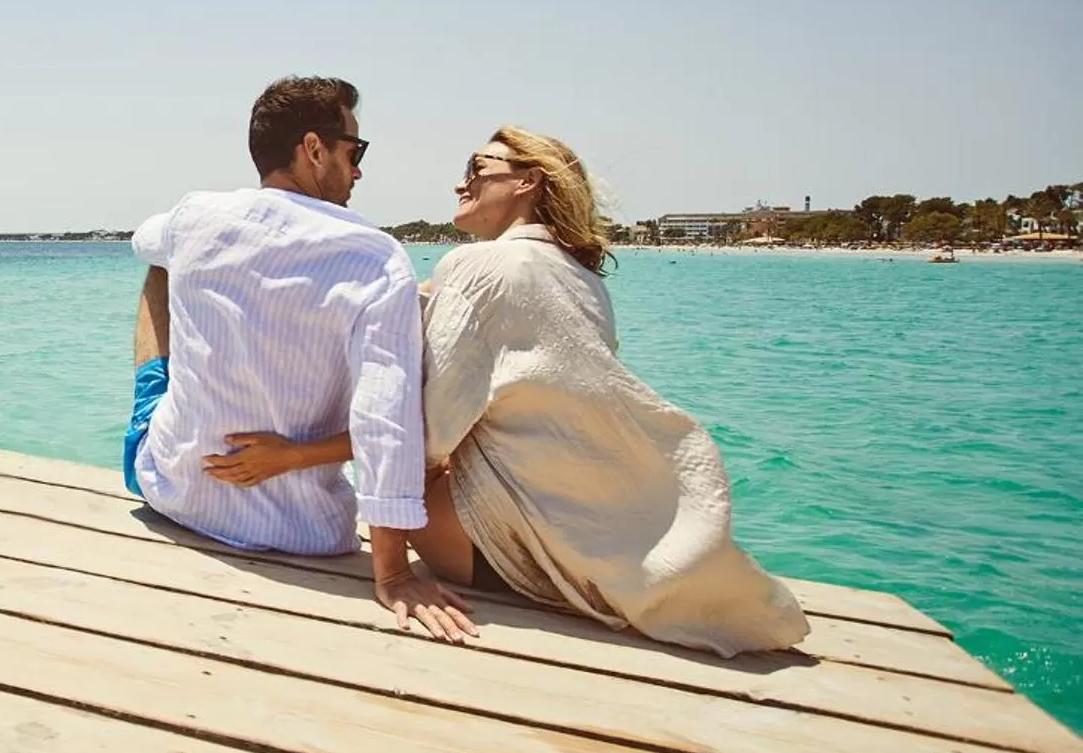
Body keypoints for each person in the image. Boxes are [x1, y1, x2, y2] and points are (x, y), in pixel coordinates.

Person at [416, 128, 804, 654]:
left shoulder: (475, 266)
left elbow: (428, 433)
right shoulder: (584, 279)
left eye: (475, 168)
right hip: (591, 538)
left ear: (528, 181)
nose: (460, 184)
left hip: (491, 547)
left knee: (393, 435)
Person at [126, 75, 476, 643]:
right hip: (303, 529)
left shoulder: (194, 216)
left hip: (173, 489)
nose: (359, 169)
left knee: (159, 263)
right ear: (313, 149)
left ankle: (171, 411)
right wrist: (392, 572)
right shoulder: (375, 257)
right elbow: (384, 419)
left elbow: (144, 239)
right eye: (353, 151)